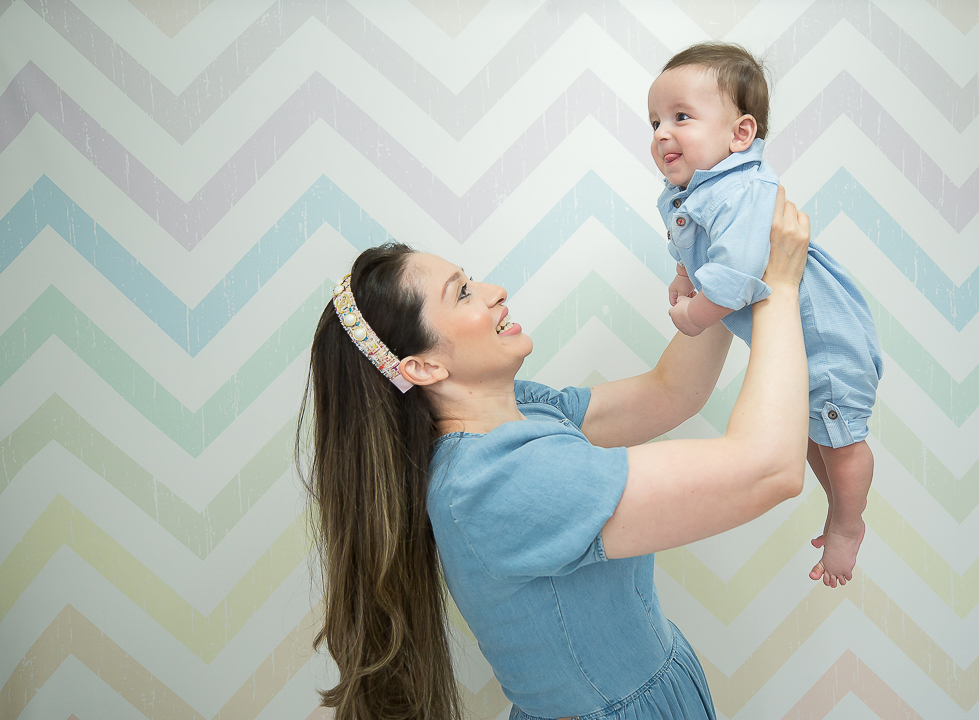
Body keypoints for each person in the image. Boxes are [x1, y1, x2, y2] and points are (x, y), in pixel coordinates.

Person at [297, 188, 809, 719]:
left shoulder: (519, 411)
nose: (494, 292)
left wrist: (726, 273)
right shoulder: (500, 481)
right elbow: (768, 468)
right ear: (423, 367)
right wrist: (780, 286)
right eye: (463, 294)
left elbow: (670, 392)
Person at [649, 42, 883, 587]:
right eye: (655, 120)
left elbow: (736, 269)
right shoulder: (695, 191)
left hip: (826, 338)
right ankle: (839, 508)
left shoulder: (740, 190)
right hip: (797, 339)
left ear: (741, 134)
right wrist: (685, 275)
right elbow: (695, 246)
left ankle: (848, 523)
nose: (661, 133)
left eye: (681, 117)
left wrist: (697, 314)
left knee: (842, 443)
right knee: (811, 433)